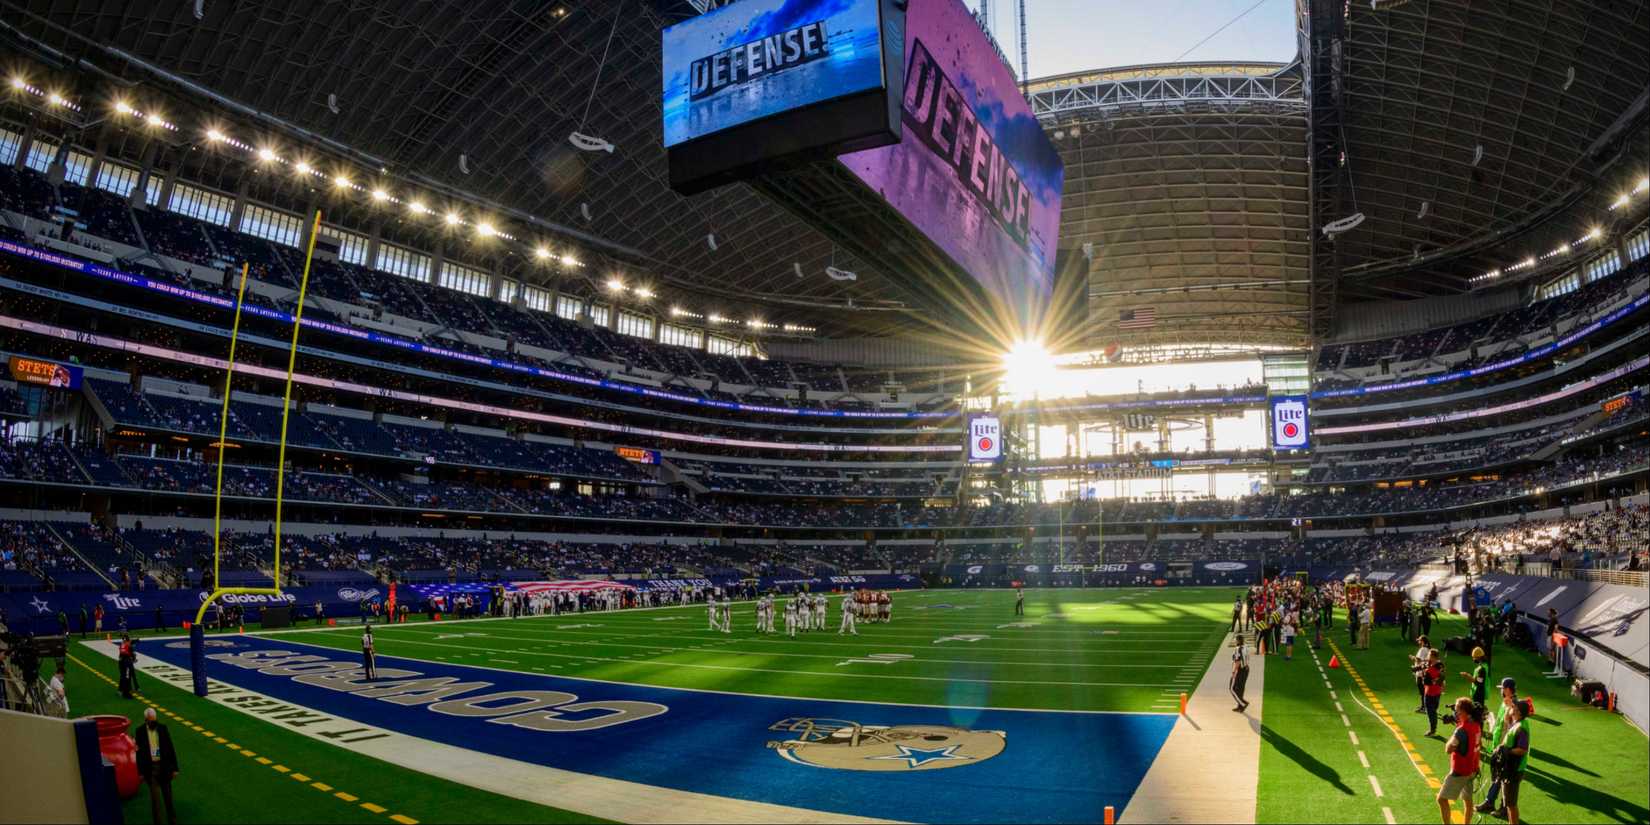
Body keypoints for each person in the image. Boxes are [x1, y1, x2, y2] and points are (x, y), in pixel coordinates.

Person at [1438, 697, 1483, 825]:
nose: (1455, 712)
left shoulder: (1461, 730)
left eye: (1457, 710)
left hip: (1460, 771)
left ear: (1464, 712)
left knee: (1441, 799)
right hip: (1472, 768)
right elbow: (1477, 745)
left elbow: (1448, 748)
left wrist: (1455, 732)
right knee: (1468, 800)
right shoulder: (1476, 726)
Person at [1478, 678, 1518, 815]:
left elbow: (1512, 728)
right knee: (1497, 776)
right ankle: (1492, 803)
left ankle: (1502, 807)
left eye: (1502, 688)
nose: (1500, 690)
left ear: (1507, 689)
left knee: (1503, 778)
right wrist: (1490, 719)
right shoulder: (1505, 703)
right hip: (1499, 746)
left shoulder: (1513, 706)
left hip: (1506, 747)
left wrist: (1504, 746)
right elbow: (1498, 725)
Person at [134, 706, 179, 825]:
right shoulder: (139, 732)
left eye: (155, 719)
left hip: (164, 767)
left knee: (168, 798)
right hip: (151, 769)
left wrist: (175, 768)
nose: (154, 722)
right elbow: (138, 753)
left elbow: (170, 748)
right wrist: (140, 772)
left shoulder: (163, 729)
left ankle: (172, 821)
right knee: (155, 801)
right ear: (146, 720)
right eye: (152, 720)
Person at [1491, 699, 1532, 824]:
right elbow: (1506, 719)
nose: (1510, 708)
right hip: (1510, 767)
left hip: (1514, 769)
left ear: (1518, 712)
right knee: (1509, 802)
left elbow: (1522, 749)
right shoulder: (1518, 722)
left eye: (1513, 707)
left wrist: (1506, 751)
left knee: (1511, 804)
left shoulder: (1521, 728)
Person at [1422, 650, 1446, 737]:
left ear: (1432, 656)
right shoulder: (1441, 665)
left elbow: (1426, 683)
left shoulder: (1429, 670)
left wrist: (1423, 673)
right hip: (1438, 692)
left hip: (1430, 693)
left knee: (1430, 712)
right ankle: (1433, 728)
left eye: (1429, 655)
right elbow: (1442, 677)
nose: (1428, 656)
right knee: (1434, 710)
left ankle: (1432, 730)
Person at [1411, 635, 1434, 712]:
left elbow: (1419, 659)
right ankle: (1424, 706)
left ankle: (1424, 707)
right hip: (1423, 673)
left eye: (1419, 640)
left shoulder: (1423, 649)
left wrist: (1412, 657)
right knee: (1423, 691)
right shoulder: (1427, 649)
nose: (1418, 642)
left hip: (1420, 673)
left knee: (1422, 692)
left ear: (1423, 641)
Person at [1230, 633, 1250, 712]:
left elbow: (1238, 661)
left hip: (1240, 670)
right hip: (1246, 668)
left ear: (1238, 641)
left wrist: (1234, 671)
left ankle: (1243, 704)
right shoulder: (1246, 647)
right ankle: (1240, 707)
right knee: (1240, 688)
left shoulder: (1238, 649)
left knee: (1232, 688)